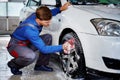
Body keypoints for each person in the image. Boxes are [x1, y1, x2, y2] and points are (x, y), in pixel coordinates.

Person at [7, 2, 72, 75]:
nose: (49, 23)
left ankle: (40, 65)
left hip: (27, 42)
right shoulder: (30, 30)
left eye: (49, 21)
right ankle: (13, 64)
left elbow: (50, 12)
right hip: (15, 46)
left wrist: (60, 8)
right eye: (46, 22)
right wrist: (62, 47)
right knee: (30, 56)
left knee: (47, 37)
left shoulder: (37, 15)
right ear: (38, 20)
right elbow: (43, 49)